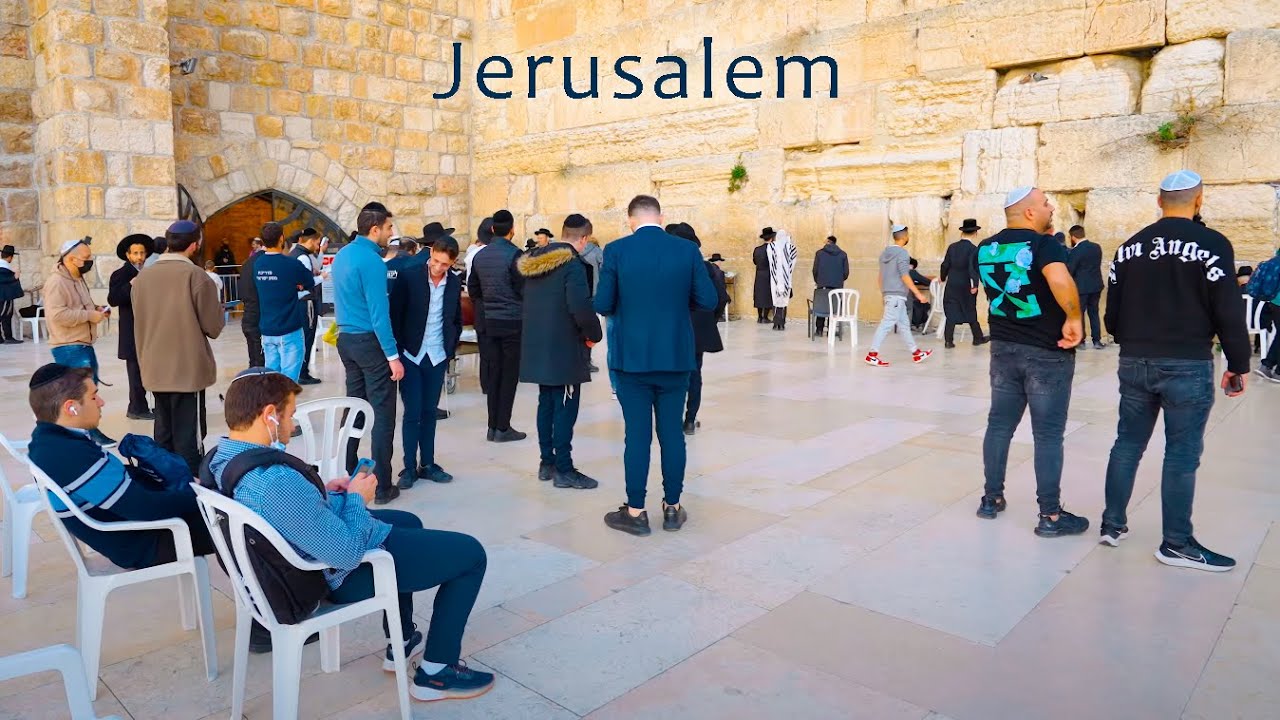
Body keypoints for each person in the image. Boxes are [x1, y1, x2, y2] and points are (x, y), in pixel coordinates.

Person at [204, 368, 494, 702]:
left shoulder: (223, 458)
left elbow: (289, 510)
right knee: (471, 554)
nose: (293, 425)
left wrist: (322, 492)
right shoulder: (273, 481)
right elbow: (346, 552)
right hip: (327, 577)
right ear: (269, 415)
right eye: (290, 415)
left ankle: (400, 641)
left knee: (409, 520)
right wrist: (357, 498)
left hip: (291, 558)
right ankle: (435, 673)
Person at [1101, 170, 1250, 571]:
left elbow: (1111, 317)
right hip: (1186, 362)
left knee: (1127, 443)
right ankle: (1177, 543)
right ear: (1199, 201)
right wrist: (1238, 363)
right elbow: (1228, 309)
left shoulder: (1129, 247)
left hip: (1134, 361)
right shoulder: (1213, 244)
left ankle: (1112, 524)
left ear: (1158, 201)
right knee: (1182, 454)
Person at [595, 195, 716, 536]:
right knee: (672, 434)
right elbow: (707, 299)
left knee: (637, 436)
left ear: (630, 219)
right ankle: (673, 508)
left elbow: (603, 303)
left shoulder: (617, 251)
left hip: (632, 359)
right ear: (661, 217)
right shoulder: (686, 250)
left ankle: (635, 513)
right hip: (676, 357)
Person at [974, 187, 1086, 537]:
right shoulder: (1044, 244)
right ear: (1028, 212)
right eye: (1044, 203)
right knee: (1048, 434)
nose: (1050, 207)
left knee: (999, 425)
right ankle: (1050, 516)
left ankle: (991, 499)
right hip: (1046, 353)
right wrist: (1074, 317)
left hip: (1004, 348)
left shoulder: (985, 247)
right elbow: (1057, 278)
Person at [27, 364, 215, 569]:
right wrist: (200, 494)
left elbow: (121, 488)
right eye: (93, 397)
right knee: (240, 522)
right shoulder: (69, 455)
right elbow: (145, 509)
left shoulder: (49, 441)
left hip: (130, 530)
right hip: (144, 543)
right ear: (71, 407)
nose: (101, 402)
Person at [133, 220, 225, 475]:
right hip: (186, 369)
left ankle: (163, 482)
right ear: (195, 245)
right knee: (189, 437)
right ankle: (191, 492)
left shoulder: (143, 277)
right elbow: (213, 327)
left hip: (153, 365)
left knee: (163, 430)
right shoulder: (196, 276)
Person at [518, 214, 603, 490]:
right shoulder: (572, 265)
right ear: (584, 239)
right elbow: (579, 306)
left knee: (547, 403)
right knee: (565, 408)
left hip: (538, 344)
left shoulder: (535, 263)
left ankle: (547, 462)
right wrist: (593, 335)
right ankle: (564, 469)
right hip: (564, 347)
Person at [333, 203, 404, 504]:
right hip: (369, 343)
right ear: (375, 229)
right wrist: (393, 356)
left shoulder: (342, 255)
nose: (391, 233)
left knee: (355, 408)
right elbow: (379, 314)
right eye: (389, 228)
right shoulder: (374, 263)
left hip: (346, 339)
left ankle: (348, 469)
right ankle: (383, 485)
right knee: (383, 413)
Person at [388, 235, 462, 490]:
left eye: (444, 264)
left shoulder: (454, 282)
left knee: (430, 412)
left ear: (452, 263)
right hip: (411, 354)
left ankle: (428, 464)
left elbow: (455, 318)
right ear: (431, 255)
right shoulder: (409, 276)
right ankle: (408, 467)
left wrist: (450, 348)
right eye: (435, 261)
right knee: (413, 412)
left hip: (437, 354)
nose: (437, 267)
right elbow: (395, 315)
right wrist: (396, 353)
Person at [44, 237, 115, 447]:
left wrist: (98, 310)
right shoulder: (57, 282)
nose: (89, 262)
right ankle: (89, 433)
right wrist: (88, 315)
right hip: (68, 345)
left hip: (83, 343)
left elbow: (82, 307)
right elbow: (57, 315)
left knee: (87, 388)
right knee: (81, 391)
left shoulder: (76, 279)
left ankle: (84, 431)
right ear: (72, 259)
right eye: (86, 258)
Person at [467, 209, 527, 443]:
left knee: (494, 374)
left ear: (492, 229)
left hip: (489, 323)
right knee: (509, 375)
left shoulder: (480, 256)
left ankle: (493, 426)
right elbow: (523, 290)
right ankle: (503, 426)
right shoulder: (516, 255)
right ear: (512, 230)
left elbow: (474, 290)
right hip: (512, 323)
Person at [667, 222, 729, 436]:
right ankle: (690, 420)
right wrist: (707, 319)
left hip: (670, 328)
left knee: (673, 374)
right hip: (696, 329)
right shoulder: (707, 268)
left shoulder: (664, 266)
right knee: (694, 373)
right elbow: (720, 298)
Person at [253, 222, 316, 382]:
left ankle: (274, 407)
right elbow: (309, 282)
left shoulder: (258, 264)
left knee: (272, 381)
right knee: (288, 383)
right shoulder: (291, 264)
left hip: (267, 330)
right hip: (289, 329)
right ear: (281, 239)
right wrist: (295, 285)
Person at [865, 225, 932, 367]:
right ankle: (872, 354)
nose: (908, 237)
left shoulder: (884, 254)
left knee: (904, 325)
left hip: (891, 295)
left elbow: (880, 277)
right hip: (896, 295)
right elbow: (905, 276)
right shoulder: (903, 254)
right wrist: (918, 293)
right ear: (903, 237)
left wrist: (884, 293)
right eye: (907, 235)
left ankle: (916, 353)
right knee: (886, 324)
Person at [108, 234, 155, 420]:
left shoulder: (150, 273)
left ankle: (146, 406)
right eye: (135, 253)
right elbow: (113, 299)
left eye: (142, 253)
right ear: (128, 255)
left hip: (149, 330)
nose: (139, 257)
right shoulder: (121, 275)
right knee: (135, 372)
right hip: (132, 331)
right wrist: (130, 285)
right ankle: (136, 408)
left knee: (149, 370)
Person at [939, 219, 988, 348]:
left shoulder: (952, 247)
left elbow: (945, 265)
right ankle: (978, 338)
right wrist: (975, 285)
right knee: (970, 309)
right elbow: (973, 269)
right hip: (966, 285)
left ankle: (948, 341)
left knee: (951, 311)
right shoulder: (973, 249)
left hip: (953, 284)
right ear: (975, 233)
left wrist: (943, 277)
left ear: (962, 233)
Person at [289, 228, 325, 385]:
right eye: (317, 243)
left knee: (301, 337)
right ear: (310, 241)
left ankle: (299, 371)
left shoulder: (293, 253)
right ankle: (303, 373)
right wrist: (322, 277)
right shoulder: (303, 257)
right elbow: (304, 284)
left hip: (297, 302)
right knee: (307, 337)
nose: (317, 247)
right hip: (306, 302)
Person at [1067, 224, 1106, 349]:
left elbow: (1070, 269)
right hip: (1096, 285)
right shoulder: (1096, 247)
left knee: (1080, 314)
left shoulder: (1076, 251)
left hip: (1082, 287)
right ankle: (1097, 341)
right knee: (1094, 313)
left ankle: (1081, 341)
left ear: (1073, 237)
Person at [812, 235, 849, 337]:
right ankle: (831, 330)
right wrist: (838, 281)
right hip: (837, 287)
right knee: (834, 308)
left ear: (828, 242)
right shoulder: (843, 255)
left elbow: (815, 270)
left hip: (822, 286)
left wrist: (819, 281)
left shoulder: (819, 253)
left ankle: (819, 330)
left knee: (821, 305)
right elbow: (846, 273)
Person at [238, 237, 267, 368]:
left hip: (248, 310)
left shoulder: (247, 263)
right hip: (260, 311)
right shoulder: (264, 262)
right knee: (260, 348)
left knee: (252, 348)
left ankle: (253, 373)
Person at [579, 235, 604, 373]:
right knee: (591, 329)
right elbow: (604, 273)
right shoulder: (598, 253)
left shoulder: (575, 251)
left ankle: (580, 359)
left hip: (579, 294)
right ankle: (587, 360)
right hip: (594, 294)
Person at [768, 229, 798, 330]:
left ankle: (776, 323)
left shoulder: (771, 246)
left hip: (774, 278)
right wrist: (787, 273)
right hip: (787, 279)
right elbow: (793, 263)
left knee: (775, 300)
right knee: (784, 301)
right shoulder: (792, 247)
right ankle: (782, 323)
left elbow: (771, 262)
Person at [0, 244, 23, 344]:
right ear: (10, 257)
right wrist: (15, 277)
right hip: (5, 296)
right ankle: (8, 337)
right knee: (5, 316)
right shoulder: (4, 268)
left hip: (3, 296)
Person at [753, 228, 774, 323]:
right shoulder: (772, 249)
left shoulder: (757, 249)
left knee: (759, 295)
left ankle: (759, 317)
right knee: (768, 295)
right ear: (772, 238)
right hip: (769, 274)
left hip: (759, 274)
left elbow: (755, 261)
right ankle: (765, 317)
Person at [907, 258, 933, 331]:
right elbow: (927, 281)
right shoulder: (911, 272)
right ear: (911, 265)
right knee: (925, 304)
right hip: (908, 300)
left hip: (897, 298)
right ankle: (919, 325)